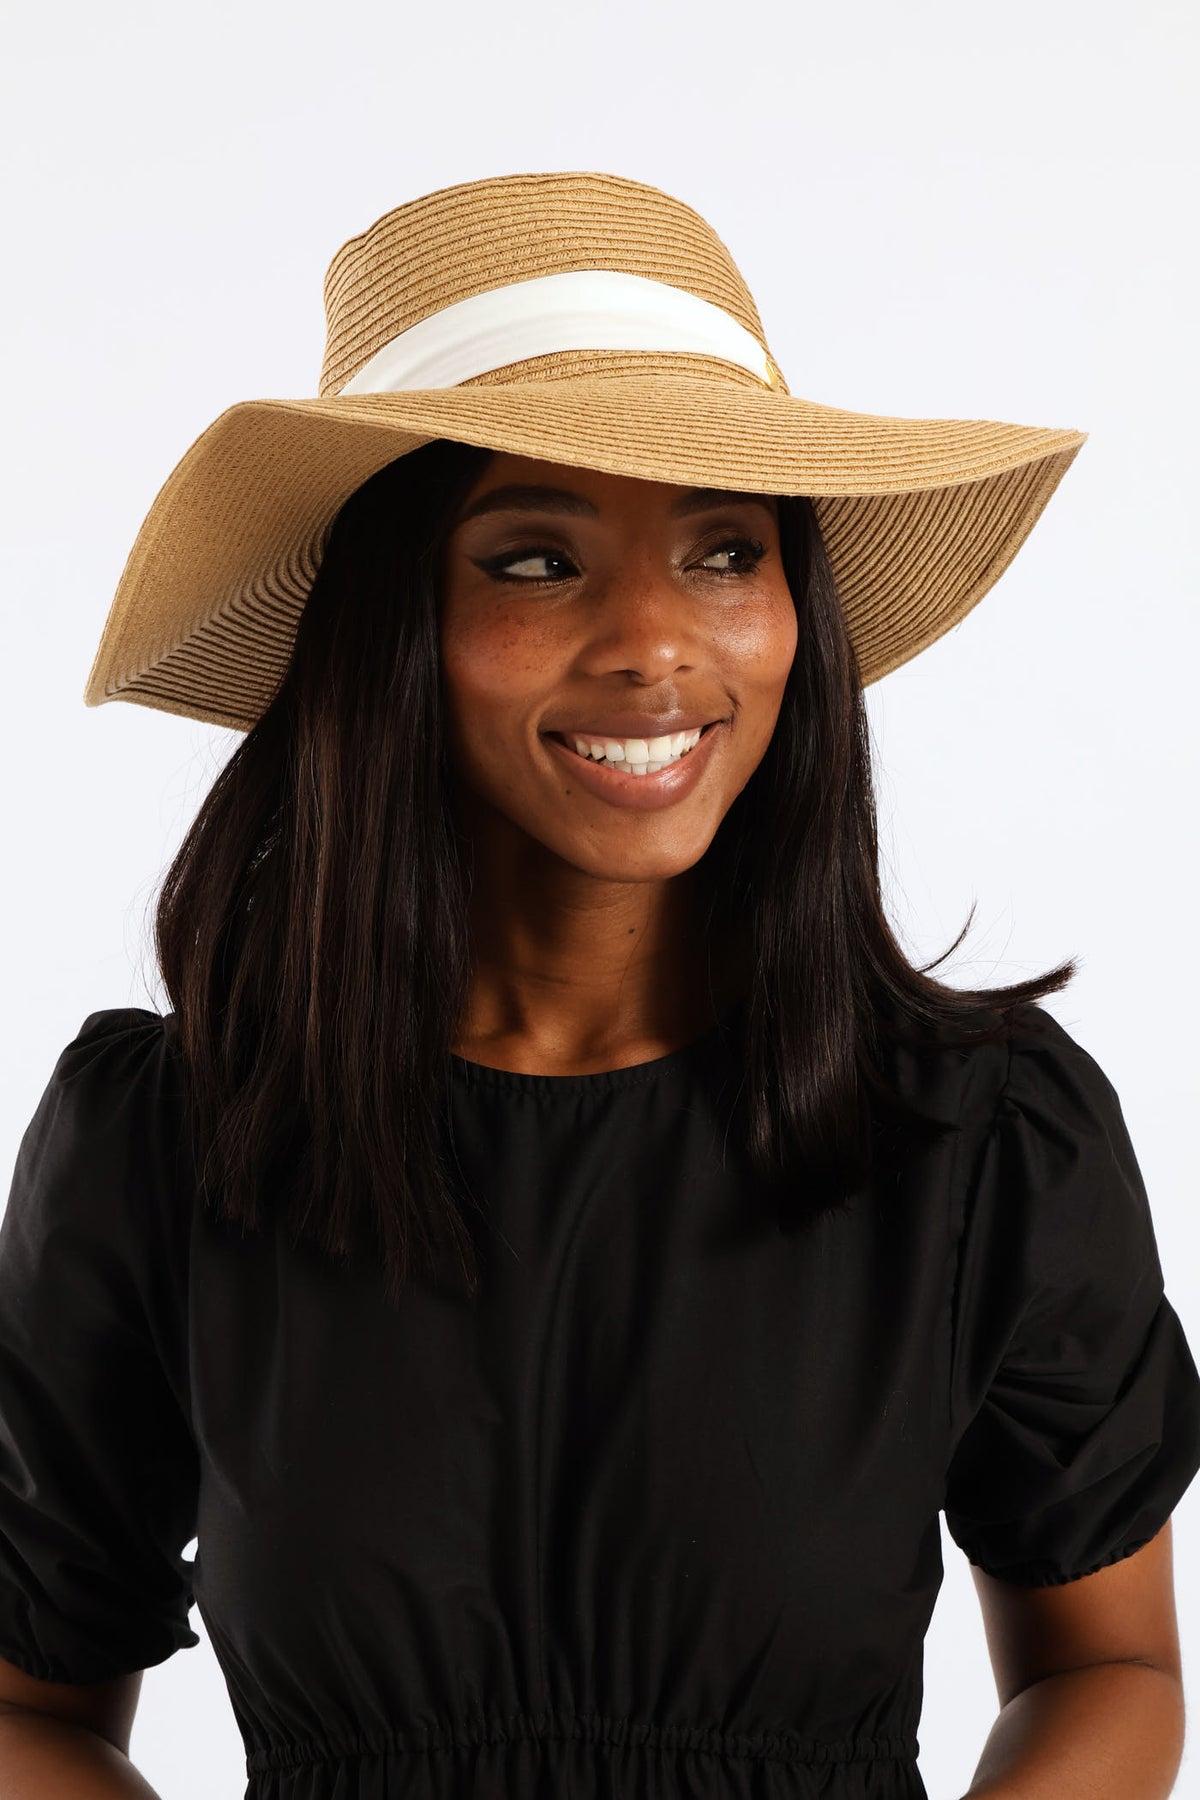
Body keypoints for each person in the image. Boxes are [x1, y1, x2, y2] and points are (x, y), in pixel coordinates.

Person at [1, 170, 1197, 1800]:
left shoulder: (982, 1138)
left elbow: (1108, 1670)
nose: (652, 643)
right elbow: (34, 1712)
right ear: (391, 629)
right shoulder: (164, 1146)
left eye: (724, 549)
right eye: (535, 559)